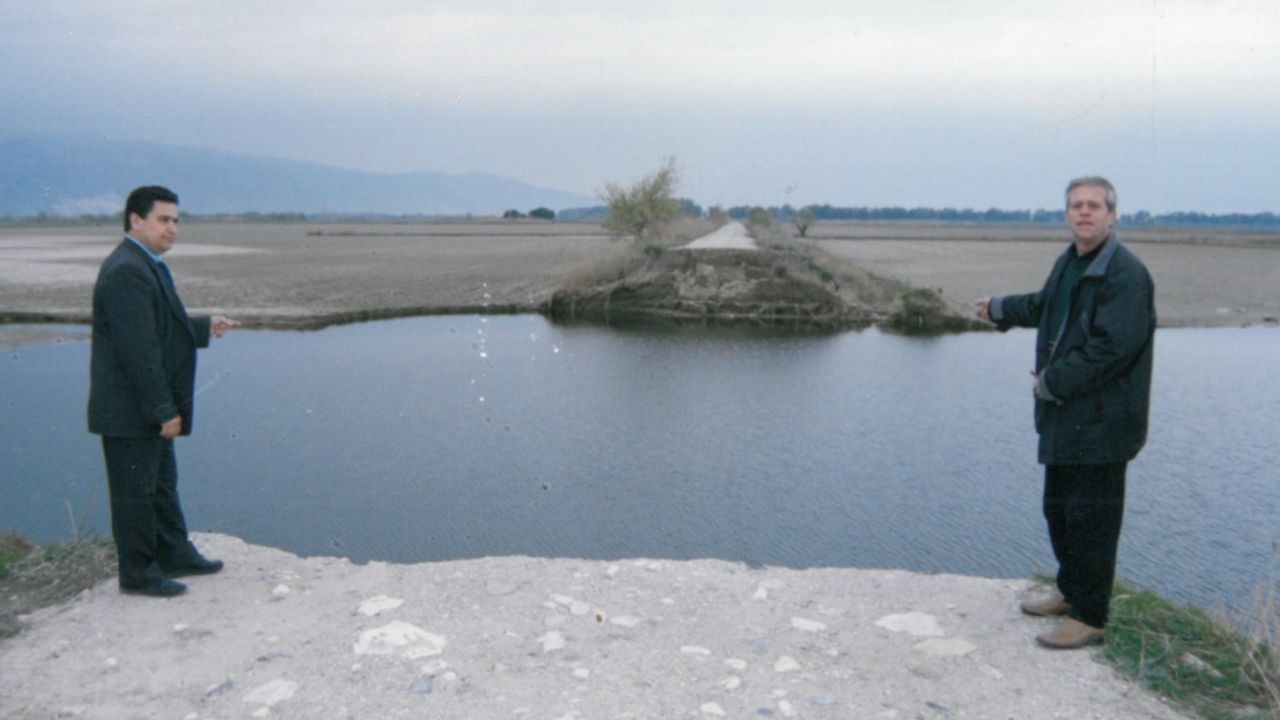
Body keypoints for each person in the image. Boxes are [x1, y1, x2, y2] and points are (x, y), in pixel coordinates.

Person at [975, 176, 1155, 649]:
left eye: (1095, 205)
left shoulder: (1125, 276)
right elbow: (1043, 306)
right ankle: (1071, 592)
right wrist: (998, 309)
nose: (1084, 212)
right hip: (1066, 419)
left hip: (1104, 422)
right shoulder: (1071, 262)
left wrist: (1051, 382)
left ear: (1113, 215)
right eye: (1076, 205)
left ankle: (1091, 615)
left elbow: (1110, 351)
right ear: (1067, 214)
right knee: (1060, 512)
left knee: (1093, 520)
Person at [88, 186, 240, 597]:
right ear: (136, 221)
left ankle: (174, 553)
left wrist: (203, 326)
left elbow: (159, 326)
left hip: (140, 408)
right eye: (163, 220)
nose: (172, 228)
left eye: (175, 221)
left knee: (161, 485)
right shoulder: (126, 270)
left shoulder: (144, 264)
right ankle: (137, 573)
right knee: (135, 494)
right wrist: (163, 409)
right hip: (129, 411)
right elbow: (139, 351)